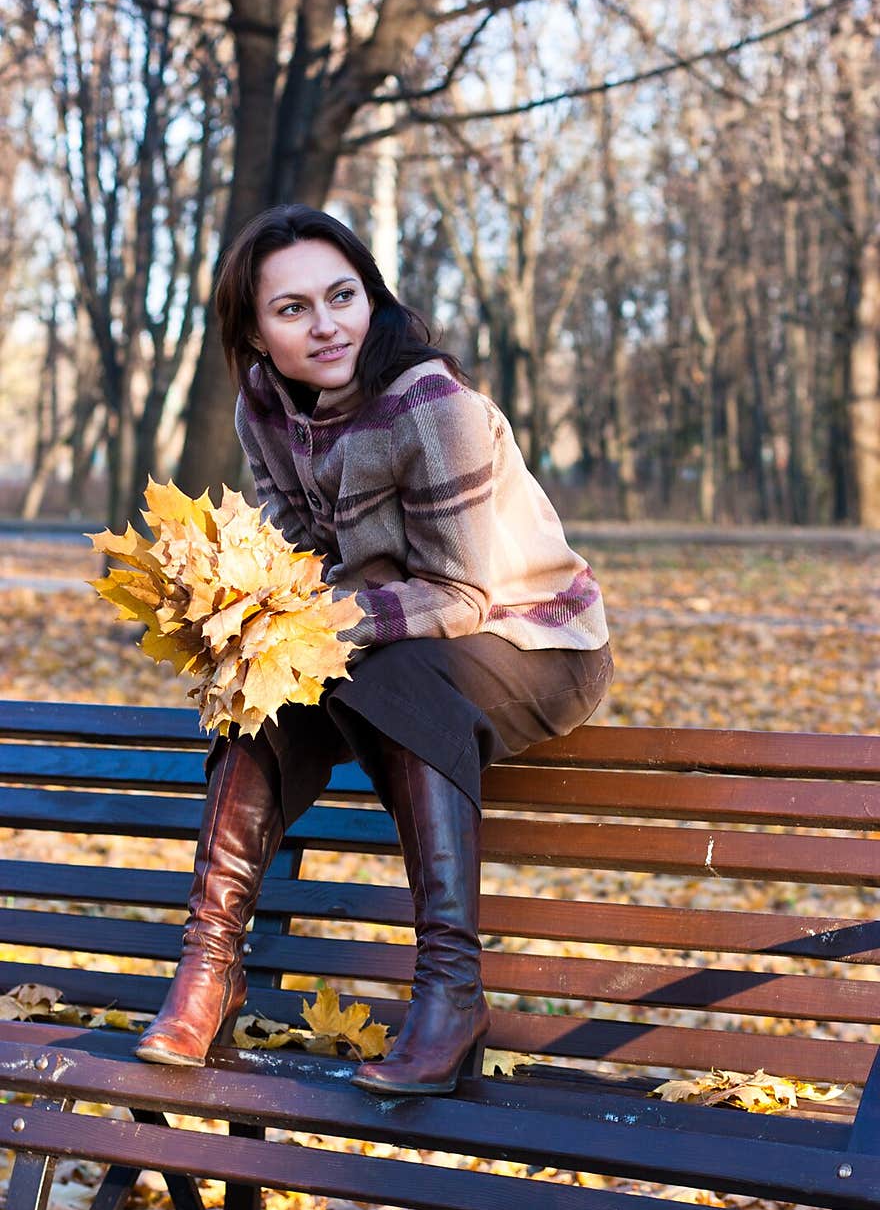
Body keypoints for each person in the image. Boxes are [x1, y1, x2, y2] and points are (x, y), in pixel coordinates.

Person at [134, 203, 614, 1096]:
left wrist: (315, 625)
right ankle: (209, 967)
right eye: (292, 310)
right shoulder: (263, 407)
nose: (326, 326)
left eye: (342, 296)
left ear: (371, 297)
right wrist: (260, 625)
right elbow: (291, 547)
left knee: (364, 663)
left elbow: (464, 594)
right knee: (262, 686)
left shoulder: (433, 406)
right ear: (254, 333)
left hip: (531, 639)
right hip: (384, 649)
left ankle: (450, 989)